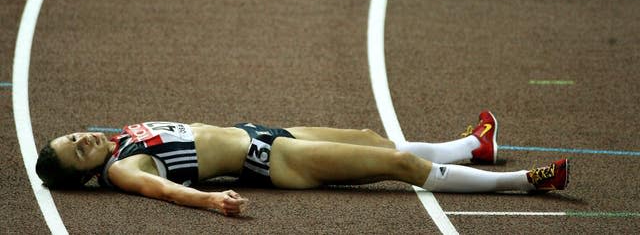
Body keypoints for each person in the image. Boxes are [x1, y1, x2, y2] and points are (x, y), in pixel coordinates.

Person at [36, 111, 569, 217]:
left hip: (259, 134)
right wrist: (212, 201)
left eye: (73, 135)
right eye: (77, 148)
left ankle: (472, 148)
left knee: (368, 138)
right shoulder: (123, 168)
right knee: (400, 166)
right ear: (85, 173)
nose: (82, 138)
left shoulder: (121, 136)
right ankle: (524, 182)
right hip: (274, 161)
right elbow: (169, 193)